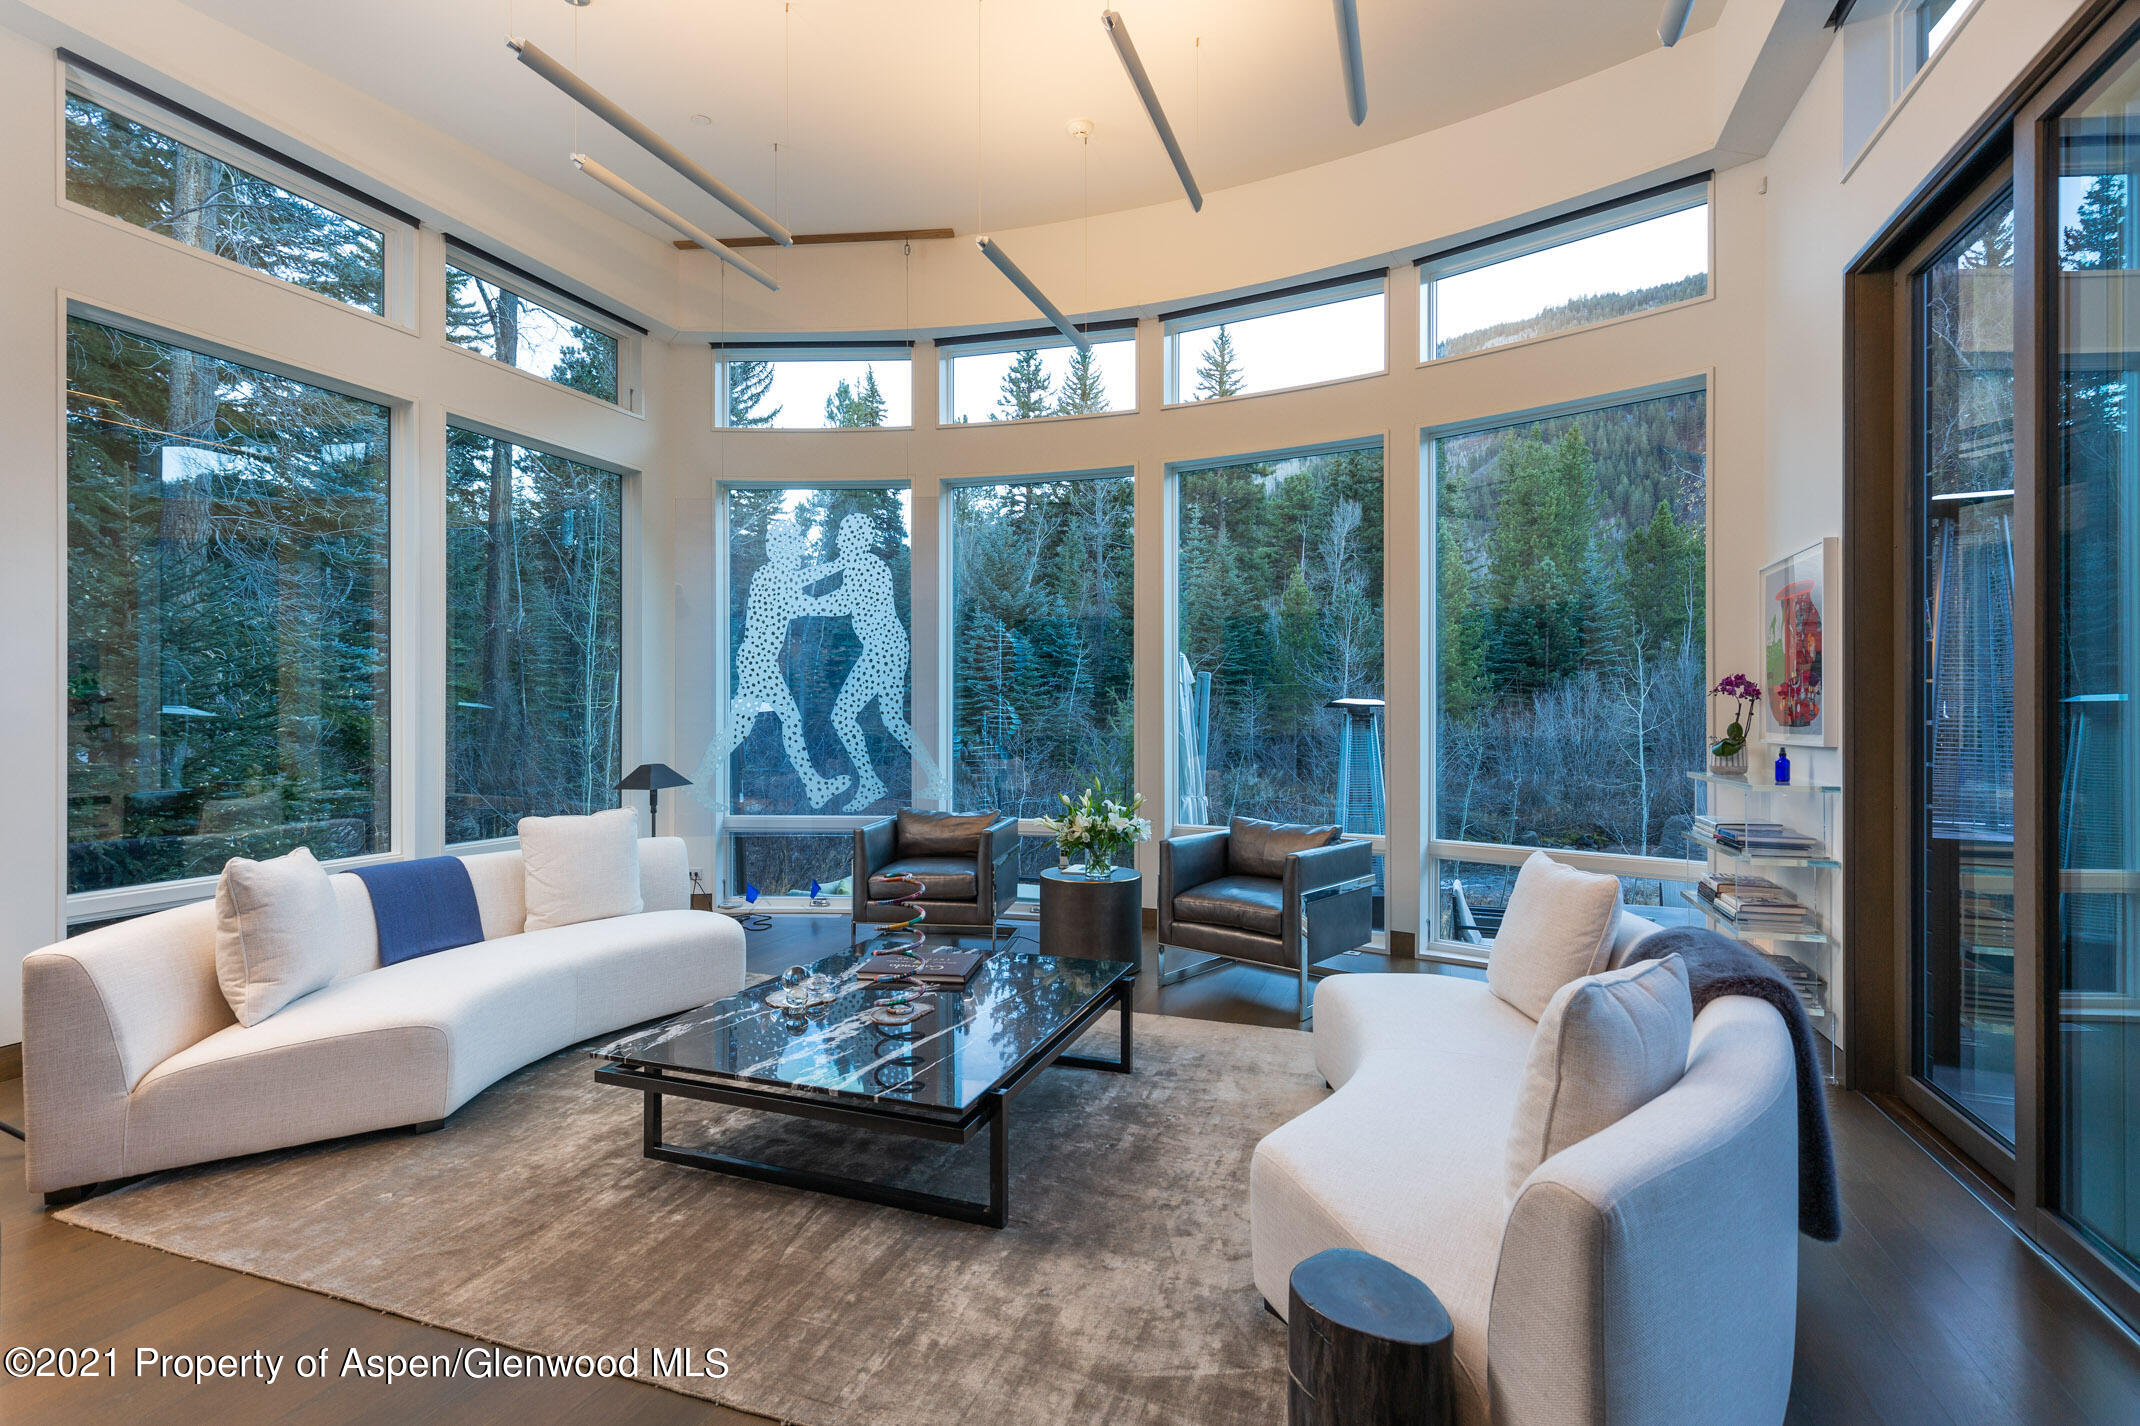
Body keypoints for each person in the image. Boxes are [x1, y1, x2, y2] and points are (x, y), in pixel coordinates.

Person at [701, 519, 851, 809]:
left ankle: (699, 782)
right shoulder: (771, 577)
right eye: (795, 543)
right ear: (781, 548)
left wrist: (837, 566)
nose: (800, 549)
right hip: (759, 663)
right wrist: (845, 598)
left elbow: (803, 581)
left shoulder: (774, 575)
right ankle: (815, 786)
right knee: (788, 721)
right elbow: (808, 604)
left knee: (739, 730)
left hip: (758, 661)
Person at [808, 512, 947, 811]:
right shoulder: (861, 566)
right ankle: (933, 778)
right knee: (892, 720)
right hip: (887, 648)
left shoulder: (868, 567)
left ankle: (872, 782)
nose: (839, 541)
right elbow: (843, 599)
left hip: (883, 650)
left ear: (858, 539)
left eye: (844, 536)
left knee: (843, 716)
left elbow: (843, 602)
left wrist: (803, 605)